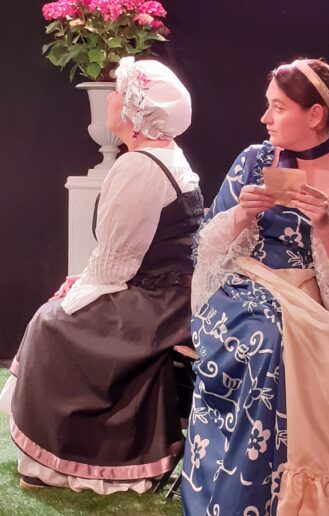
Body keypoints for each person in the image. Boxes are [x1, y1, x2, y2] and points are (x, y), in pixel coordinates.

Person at [181, 58, 329, 515]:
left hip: (313, 303)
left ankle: (300, 486)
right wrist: (242, 214)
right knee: (269, 338)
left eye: (278, 107)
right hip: (240, 291)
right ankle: (246, 490)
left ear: (315, 114)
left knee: (316, 338)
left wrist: (323, 225)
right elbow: (206, 252)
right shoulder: (253, 160)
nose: (265, 118)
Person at [0, 57, 204, 494]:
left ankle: (64, 461)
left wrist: (80, 290)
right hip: (171, 293)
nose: (111, 98)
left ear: (134, 111)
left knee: (53, 324)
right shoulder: (165, 155)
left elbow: (116, 265)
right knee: (62, 310)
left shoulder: (139, 166)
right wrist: (86, 279)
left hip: (158, 303)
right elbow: (124, 254)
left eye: (118, 92)